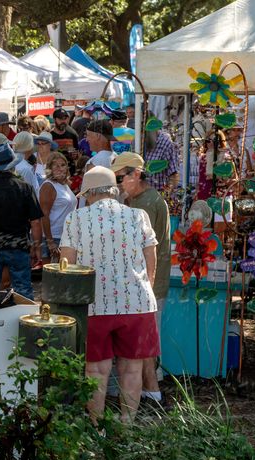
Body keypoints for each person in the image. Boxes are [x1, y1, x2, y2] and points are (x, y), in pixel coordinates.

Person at [60, 166, 159, 423]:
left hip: (94, 302)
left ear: (88, 194)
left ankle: (97, 426)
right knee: (132, 367)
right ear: (114, 192)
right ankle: (127, 424)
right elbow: (151, 256)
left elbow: (67, 264)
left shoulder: (77, 218)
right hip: (136, 302)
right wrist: (145, 286)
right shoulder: (139, 215)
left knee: (96, 369)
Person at [112, 152, 171, 410]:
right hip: (147, 281)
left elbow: (134, 249)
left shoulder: (144, 205)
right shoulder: (141, 199)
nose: (117, 183)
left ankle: (153, 394)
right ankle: (151, 393)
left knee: (143, 343)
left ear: (136, 174)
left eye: (120, 177)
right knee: (143, 342)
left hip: (146, 282)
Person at [0, 143, 42, 299]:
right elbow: (35, 222)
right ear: (13, 165)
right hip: (19, 246)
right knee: (23, 290)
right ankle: (24, 321)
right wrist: (37, 246)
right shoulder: (25, 188)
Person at [39, 152, 74, 263]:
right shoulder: (48, 185)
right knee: (52, 277)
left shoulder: (64, 185)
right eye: (56, 165)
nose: (60, 169)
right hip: (53, 237)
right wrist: (50, 241)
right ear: (50, 168)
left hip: (65, 236)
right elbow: (44, 215)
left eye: (63, 165)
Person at [144, 124, 180, 192]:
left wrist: (166, 194)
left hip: (156, 195)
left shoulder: (166, 143)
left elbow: (173, 175)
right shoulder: (136, 141)